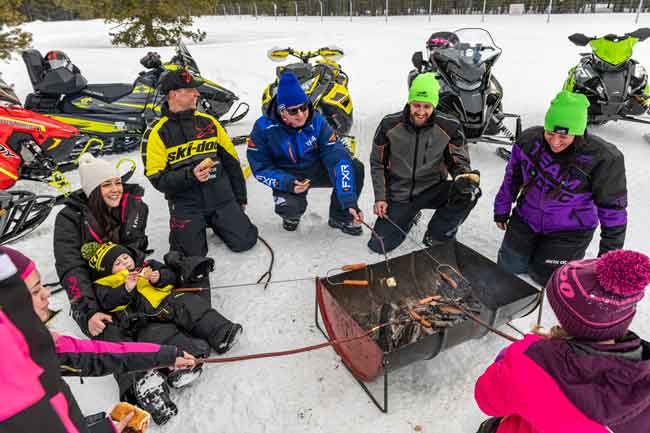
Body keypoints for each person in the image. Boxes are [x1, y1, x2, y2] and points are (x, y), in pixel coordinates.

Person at [53, 153, 207, 423]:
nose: (115, 189)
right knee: (110, 332)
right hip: (96, 289)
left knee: (154, 312)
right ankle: (141, 387)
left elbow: (136, 248)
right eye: (106, 184)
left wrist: (143, 274)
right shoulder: (69, 219)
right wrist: (88, 311)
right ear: (92, 190)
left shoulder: (133, 207)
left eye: (117, 182)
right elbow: (71, 269)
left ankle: (175, 359)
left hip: (131, 278)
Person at [0, 246, 198, 432]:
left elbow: (102, 355)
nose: (46, 293)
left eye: (41, 285)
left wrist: (168, 355)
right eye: (35, 291)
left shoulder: (36, 344)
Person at [474, 249, 650, 433]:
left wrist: (511, 358)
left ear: (569, 319)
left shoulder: (528, 361)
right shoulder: (642, 370)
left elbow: (486, 399)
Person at [494, 90, 627, 285]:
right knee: (509, 267)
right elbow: (512, 177)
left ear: (578, 132)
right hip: (526, 218)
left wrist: (607, 259)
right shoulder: (529, 141)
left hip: (570, 232)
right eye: (550, 133)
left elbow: (613, 211)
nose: (555, 142)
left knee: (545, 278)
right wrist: (502, 208)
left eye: (564, 136)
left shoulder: (604, 159)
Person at [141, 68, 258, 257]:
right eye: (190, 91)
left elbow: (232, 164)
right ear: (173, 94)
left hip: (221, 198)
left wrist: (240, 198)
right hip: (186, 205)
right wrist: (190, 175)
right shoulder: (156, 133)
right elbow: (158, 180)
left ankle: (221, 222)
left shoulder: (209, 122)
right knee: (189, 256)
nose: (196, 94)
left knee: (246, 240)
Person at [367, 72, 480, 253]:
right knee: (379, 245)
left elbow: (457, 159)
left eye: (426, 106)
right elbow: (377, 163)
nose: (420, 112)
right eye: (416, 105)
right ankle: (409, 216)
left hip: (433, 188)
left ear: (434, 105)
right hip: (400, 193)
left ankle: (437, 235)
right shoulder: (389, 125)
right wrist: (381, 197)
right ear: (409, 102)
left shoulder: (449, 126)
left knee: (468, 192)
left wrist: (462, 175)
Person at [247, 71, 364, 234]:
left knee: (355, 167)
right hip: (288, 174)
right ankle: (290, 215)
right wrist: (287, 183)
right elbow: (260, 168)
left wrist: (349, 201)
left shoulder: (317, 121)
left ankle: (340, 217)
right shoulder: (262, 128)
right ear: (282, 111)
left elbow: (337, 156)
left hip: (316, 168)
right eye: (294, 111)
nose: (301, 114)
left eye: (304, 107)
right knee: (290, 208)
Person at [81, 241, 242, 355]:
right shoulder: (105, 284)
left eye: (125, 257)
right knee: (161, 336)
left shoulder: (146, 265)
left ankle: (221, 333)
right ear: (107, 271)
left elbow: (171, 275)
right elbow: (107, 301)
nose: (125, 262)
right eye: (118, 263)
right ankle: (187, 359)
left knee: (190, 304)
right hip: (146, 318)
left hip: (169, 301)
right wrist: (126, 288)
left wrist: (160, 277)